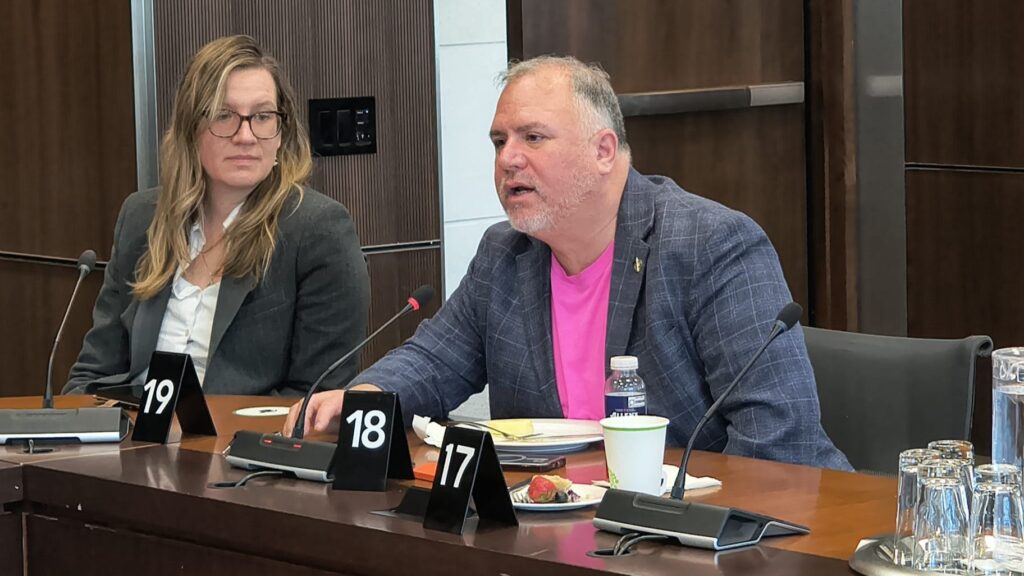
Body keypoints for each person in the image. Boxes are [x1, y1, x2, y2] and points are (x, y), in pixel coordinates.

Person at [285, 55, 850, 469]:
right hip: (556, 525)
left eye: (533, 137)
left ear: (603, 151)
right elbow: (434, 361)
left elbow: (778, 439)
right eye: (499, 141)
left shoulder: (711, 245)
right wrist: (366, 397)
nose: (508, 159)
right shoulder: (505, 254)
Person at [65, 35, 369, 396]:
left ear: (281, 133)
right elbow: (92, 374)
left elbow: (316, 396)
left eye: (262, 116)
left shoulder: (318, 230)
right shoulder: (142, 217)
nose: (246, 136)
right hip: (135, 426)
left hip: (242, 431)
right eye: (224, 116)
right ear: (190, 129)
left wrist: (198, 426)